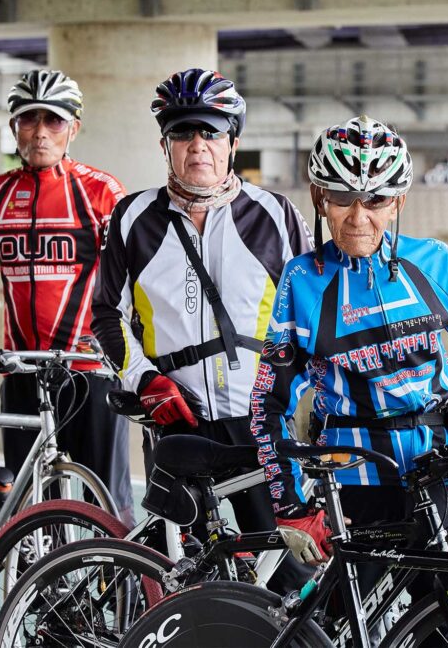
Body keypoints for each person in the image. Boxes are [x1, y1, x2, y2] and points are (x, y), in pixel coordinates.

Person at [91, 68, 313, 590]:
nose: (198, 146)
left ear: (232, 141)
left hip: (257, 420)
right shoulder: (132, 219)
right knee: (180, 574)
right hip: (177, 418)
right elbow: (105, 315)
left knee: (287, 565)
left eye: (210, 131)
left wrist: (295, 392)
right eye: (183, 132)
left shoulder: (275, 216)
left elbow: (314, 315)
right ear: (165, 144)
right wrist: (145, 381)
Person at [249, 115, 448, 573]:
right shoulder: (303, 279)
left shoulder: (436, 263)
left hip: (439, 470)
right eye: (343, 197)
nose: (358, 216)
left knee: (440, 621)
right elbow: (269, 401)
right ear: (319, 197)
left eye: (376, 200)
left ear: (398, 201)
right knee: (342, 628)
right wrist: (290, 505)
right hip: (352, 481)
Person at [0, 69, 134, 524]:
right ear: (14, 128)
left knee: (104, 503)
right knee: (26, 505)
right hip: (22, 367)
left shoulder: (101, 192)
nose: (41, 132)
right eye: (30, 120)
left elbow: (135, 274)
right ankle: (28, 584)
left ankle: (115, 589)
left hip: (89, 369)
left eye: (54, 121)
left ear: (74, 129)